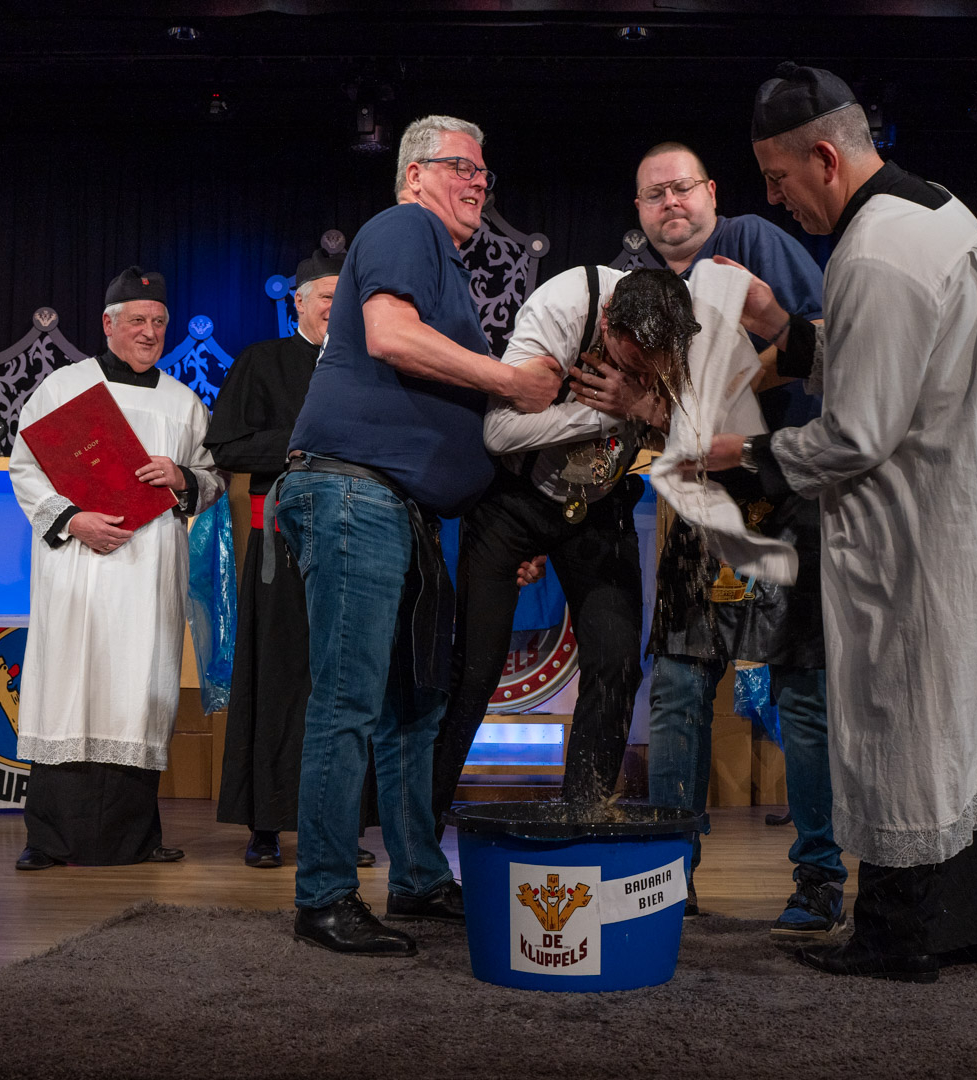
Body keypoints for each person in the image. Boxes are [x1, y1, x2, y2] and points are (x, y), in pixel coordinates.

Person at [694, 62, 977, 980]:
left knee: (909, 713)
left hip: (928, 522)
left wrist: (743, 456)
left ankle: (898, 934)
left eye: (778, 179)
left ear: (825, 157)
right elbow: (893, 359)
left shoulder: (874, 250)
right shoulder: (935, 212)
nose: (776, 200)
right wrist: (784, 326)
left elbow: (855, 432)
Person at [277, 115, 559, 956]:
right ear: (412, 176)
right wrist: (509, 380)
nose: (478, 181)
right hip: (354, 493)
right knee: (350, 701)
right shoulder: (406, 227)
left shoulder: (441, 263)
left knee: (413, 707)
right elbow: (389, 336)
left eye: (483, 171)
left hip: (399, 508)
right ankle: (324, 896)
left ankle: (418, 878)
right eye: (460, 167)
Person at [632, 142, 847, 936]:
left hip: (785, 491)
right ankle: (666, 879)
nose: (670, 203)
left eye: (681, 187)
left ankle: (818, 879)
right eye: (653, 194)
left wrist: (712, 400)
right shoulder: (633, 282)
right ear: (638, 212)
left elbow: (820, 338)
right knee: (679, 688)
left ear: (711, 192)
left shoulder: (752, 238)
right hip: (695, 507)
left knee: (801, 692)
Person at [434, 267, 697, 829]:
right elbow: (498, 434)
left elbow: (701, 434)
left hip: (599, 506)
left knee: (617, 660)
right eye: (631, 362)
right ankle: (422, 835)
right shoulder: (564, 306)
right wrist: (603, 412)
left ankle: (585, 815)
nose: (642, 374)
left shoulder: (679, 330)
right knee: (475, 670)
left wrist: (649, 408)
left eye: (652, 368)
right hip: (514, 501)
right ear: (607, 323)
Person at [9, 266, 225, 870]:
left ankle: (137, 839)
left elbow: (211, 480)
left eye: (158, 322)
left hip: (150, 569)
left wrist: (182, 477)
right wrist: (72, 519)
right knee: (69, 687)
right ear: (108, 324)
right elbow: (25, 468)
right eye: (137, 321)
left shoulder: (183, 402)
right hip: (78, 565)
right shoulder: (65, 387)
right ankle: (48, 840)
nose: (149, 331)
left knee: (137, 692)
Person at [206, 247, 377, 870]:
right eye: (326, 296)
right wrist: (306, 444)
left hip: (357, 541)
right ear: (298, 303)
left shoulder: (373, 365)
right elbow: (227, 446)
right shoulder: (262, 362)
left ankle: (339, 826)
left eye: (345, 296)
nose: (336, 306)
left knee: (345, 685)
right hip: (281, 546)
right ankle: (266, 824)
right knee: (275, 683)